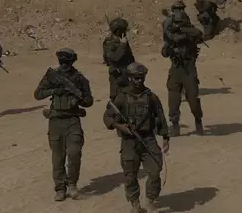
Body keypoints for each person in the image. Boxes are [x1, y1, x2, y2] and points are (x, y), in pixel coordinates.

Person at [103, 62, 170, 213]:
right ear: (130, 78)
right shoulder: (122, 97)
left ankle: (151, 200)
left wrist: (165, 137)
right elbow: (107, 116)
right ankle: (135, 205)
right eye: (136, 78)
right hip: (129, 142)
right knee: (130, 175)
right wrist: (121, 127)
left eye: (141, 78)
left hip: (148, 139)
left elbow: (160, 117)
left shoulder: (151, 96)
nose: (139, 81)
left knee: (154, 171)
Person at [34, 48, 94, 202]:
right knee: (58, 157)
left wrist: (77, 97)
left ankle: (72, 185)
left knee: (74, 153)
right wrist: (56, 90)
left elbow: (89, 101)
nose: (64, 65)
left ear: (72, 62)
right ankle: (60, 188)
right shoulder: (52, 76)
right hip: (55, 120)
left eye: (67, 62)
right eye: (61, 62)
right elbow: (38, 94)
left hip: (72, 120)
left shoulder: (80, 79)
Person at [162, 12, 204, 137]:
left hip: (189, 71)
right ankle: (175, 125)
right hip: (175, 72)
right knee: (173, 101)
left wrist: (183, 30)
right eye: (176, 22)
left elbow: (199, 33)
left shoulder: (190, 35)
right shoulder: (172, 36)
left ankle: (198, 120)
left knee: (193, 100)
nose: (177, 24)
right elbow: (164, 53)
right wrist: (169, 48)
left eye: (180, 22)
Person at [103, 17, 136, 100]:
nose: (125, 32)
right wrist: (122, 45)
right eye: (123, 30)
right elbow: (114, 58)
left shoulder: (123, 40)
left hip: (127, 75)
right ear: (118, 31)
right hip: (117, 77)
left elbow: (130, 58)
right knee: (117, 100)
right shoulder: (109, 42)